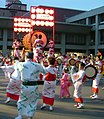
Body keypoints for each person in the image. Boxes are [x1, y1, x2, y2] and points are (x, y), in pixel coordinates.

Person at [15, 51, 46, 119]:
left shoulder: (20, 64)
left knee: (21, 100)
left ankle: (20, 115)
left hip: (24, 85)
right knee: (33, 101)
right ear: (32, 57)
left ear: (25, 57)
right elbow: (45, 72)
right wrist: (42, 64)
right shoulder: (37, 65)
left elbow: (16, 76)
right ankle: (30, 116)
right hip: (33, 86)